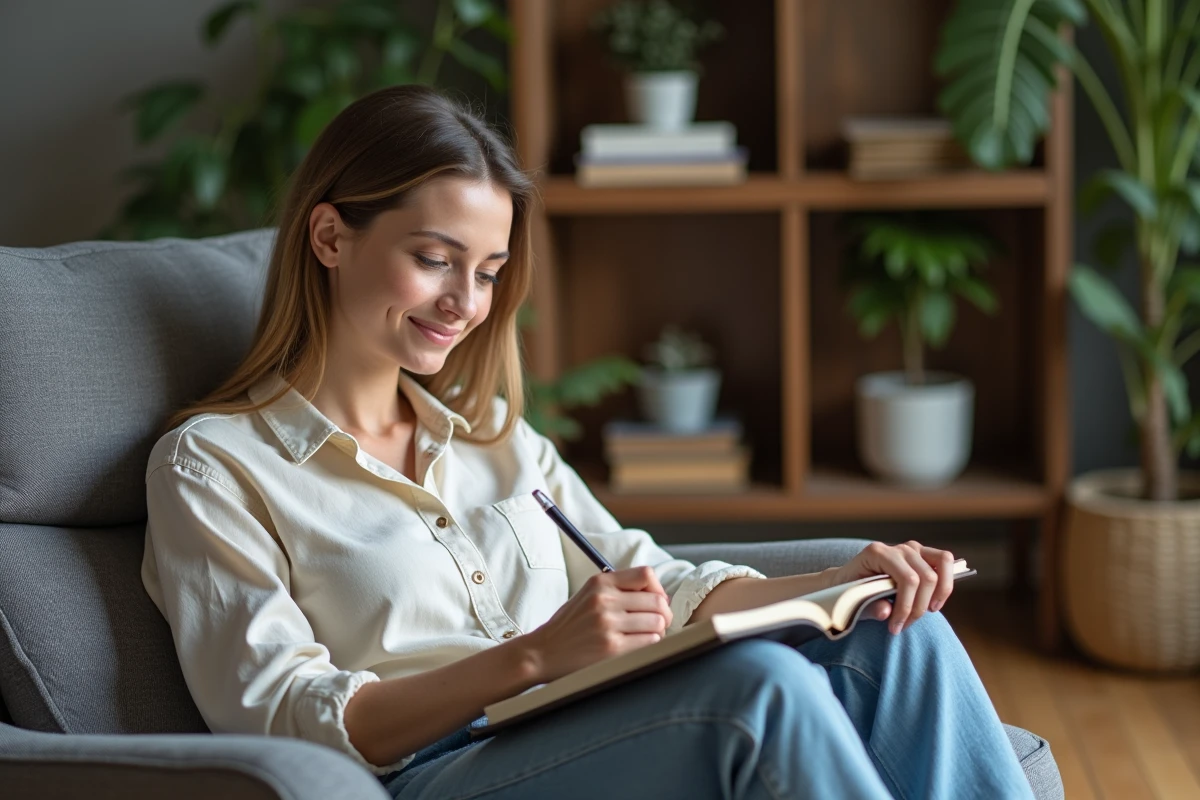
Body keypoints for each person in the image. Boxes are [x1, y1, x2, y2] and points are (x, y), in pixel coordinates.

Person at [142, 85, 1034, 800]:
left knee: (897, 638)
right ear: (332, 235)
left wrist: (847, 581)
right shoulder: (216, 466)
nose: (466, 302)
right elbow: (283, 715)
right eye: (434, 257)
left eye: (487, 272)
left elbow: (662, 587)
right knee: (759, 695)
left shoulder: (495, 437)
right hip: (435, 771)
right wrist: (535, 657)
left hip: (595, 721)